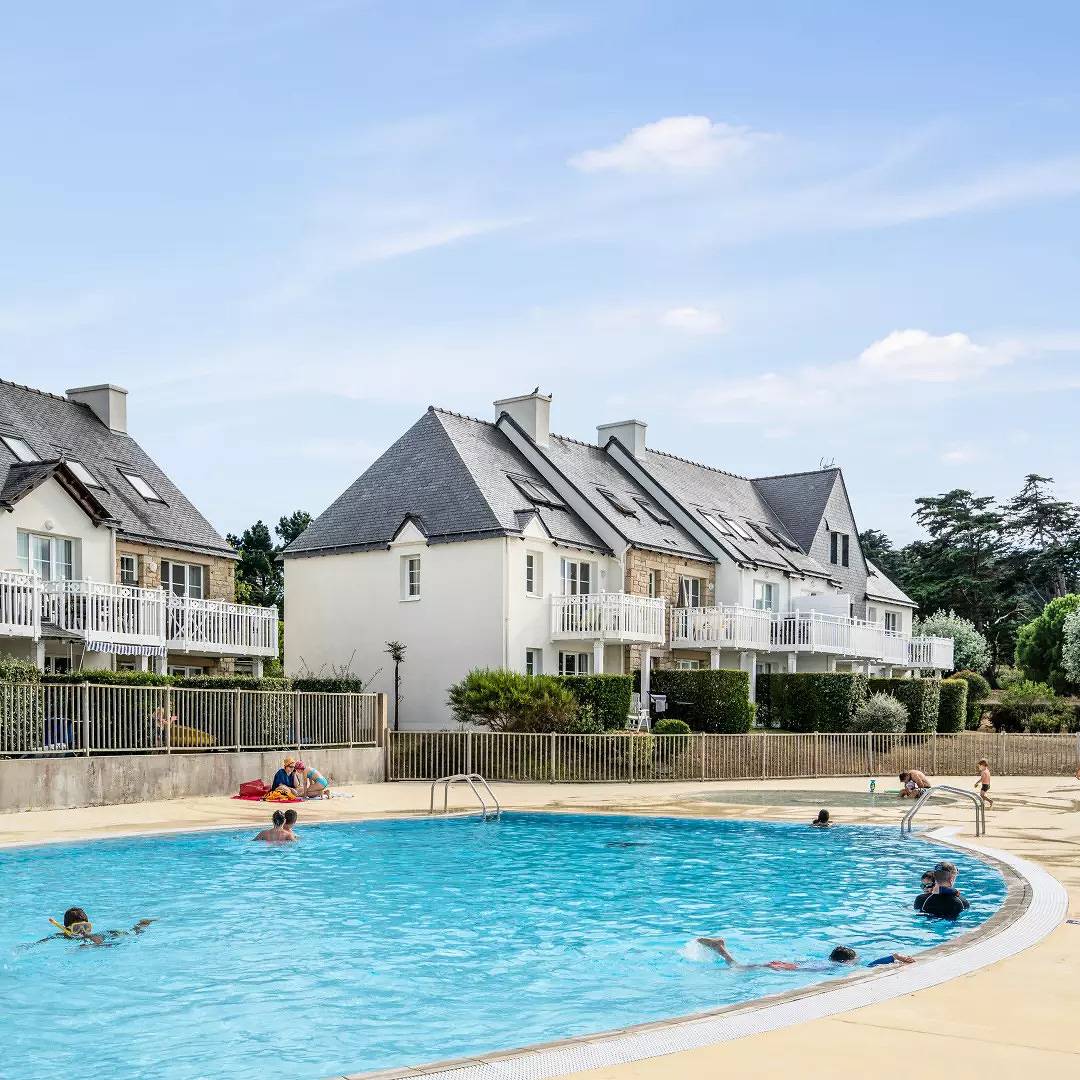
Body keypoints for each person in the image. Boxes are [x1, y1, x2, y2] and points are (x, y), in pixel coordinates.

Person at [697, 937, 914, 970]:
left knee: (741, 967)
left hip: (789, 965)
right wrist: (893, 957)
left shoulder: (827, 962)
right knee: (738, 968)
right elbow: (869, 965)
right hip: (786, 968)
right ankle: (720, 948)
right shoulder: (839, 967)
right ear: (847, 961)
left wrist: (893, 957)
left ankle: (721, 948)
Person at [40, 907, 154, 946]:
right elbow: (43, 941)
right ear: (67, 928)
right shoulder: (62, 936)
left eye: (85, 927)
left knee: (133, 933)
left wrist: (92, 941)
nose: (82, 932)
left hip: (107, 935)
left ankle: (141, 925)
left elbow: (105, 944)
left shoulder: (93, 936)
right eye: (76, 928)